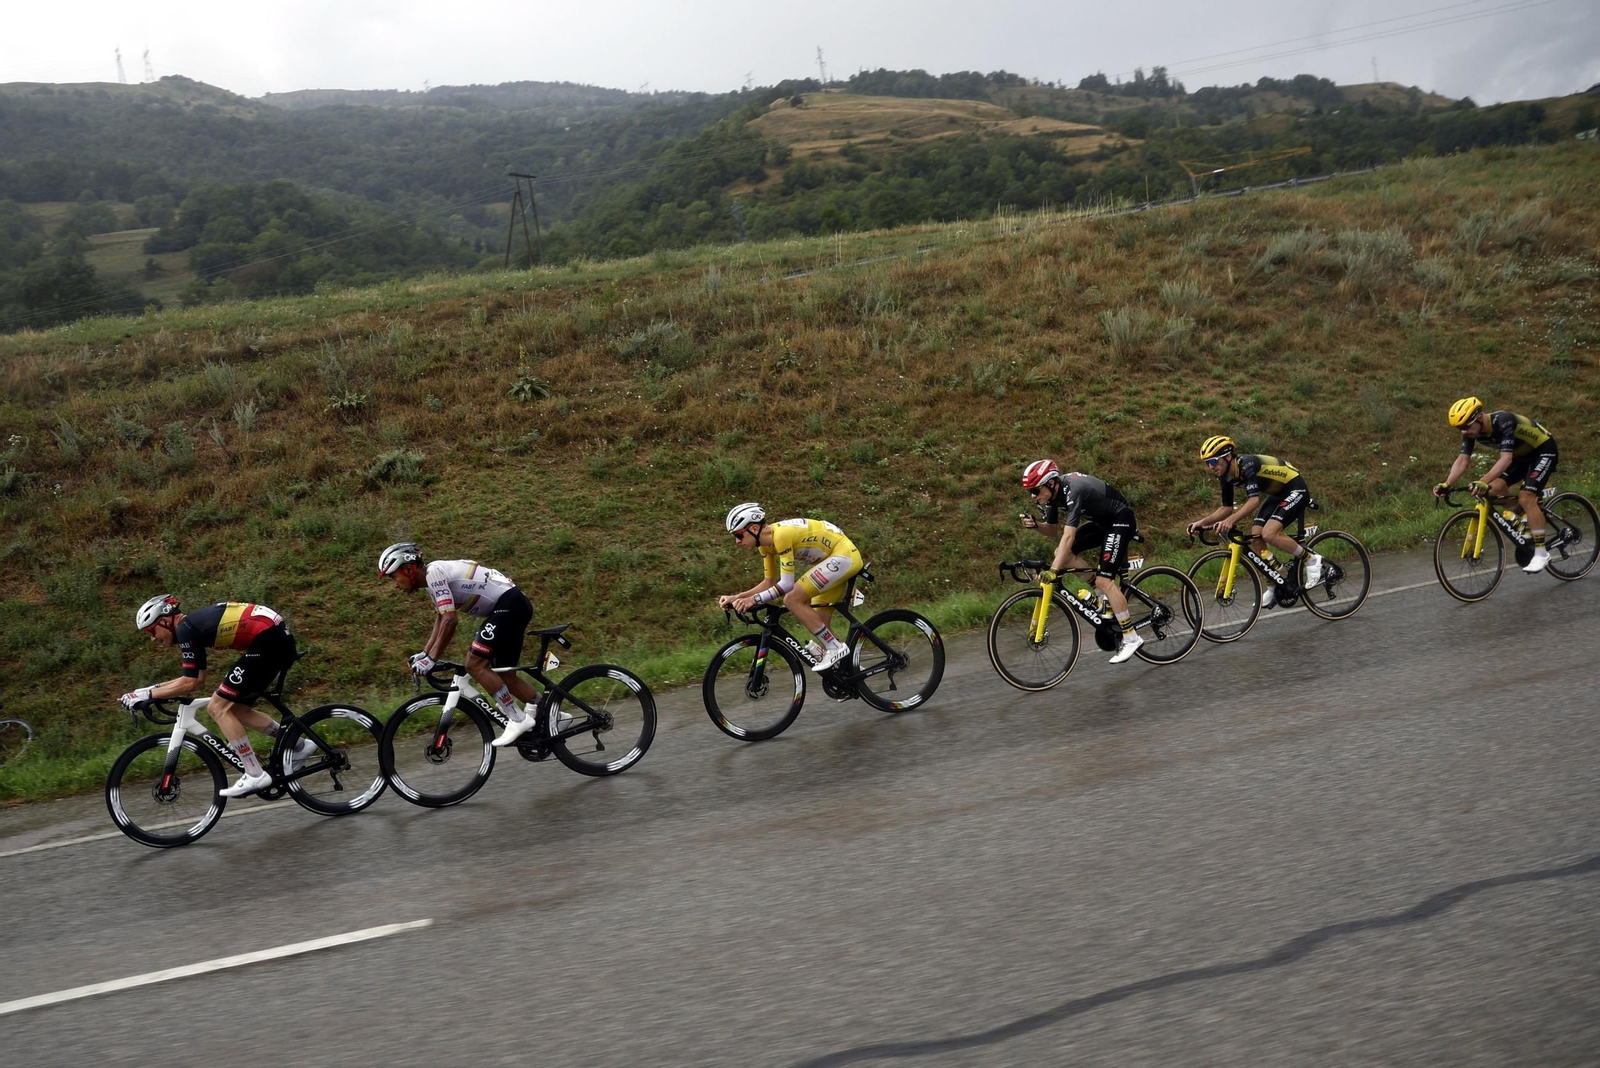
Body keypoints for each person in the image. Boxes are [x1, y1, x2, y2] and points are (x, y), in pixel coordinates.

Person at [122, 595, 316, 797]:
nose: (153, 638)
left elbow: (190, 683)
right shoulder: (189, 628)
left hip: (269, 641)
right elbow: (196, 678)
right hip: (273, 638)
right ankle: (299, 746)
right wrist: (145, 692)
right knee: (236, 710)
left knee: (217, 707)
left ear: (164, 620)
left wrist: (147, 694)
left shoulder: (185, 629)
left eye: (151, 631)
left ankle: (254, 773)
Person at [377, 542, 565, 748]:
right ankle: (553, 713)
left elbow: (450, 621)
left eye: (394, 577)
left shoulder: (434, 574)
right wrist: (425, 653)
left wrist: (432, 659)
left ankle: (518, 719)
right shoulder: (432, 580)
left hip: (509, 605)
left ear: (408, 569)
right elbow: (441, 620)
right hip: (512, 605)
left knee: (474, 665)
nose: (395, 584)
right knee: (504, 675)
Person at [1018, 460, 1144, 664]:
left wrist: (1053, 570)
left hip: (1120, 519)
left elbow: (1069, 535)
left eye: (1034, 490)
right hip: (1102, 523)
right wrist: (1036, 525)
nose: (1033, 496)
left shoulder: (1072, 488)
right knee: (1062, 553)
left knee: (1105, 580)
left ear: (1050, 483)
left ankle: (1131, 638)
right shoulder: (1052, 496)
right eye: (1029, 492)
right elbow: (1052, 530)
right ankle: (1103, 599)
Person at [719, 503, 862, 673]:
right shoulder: (765, 545)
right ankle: (850, 672)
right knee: (818, 624)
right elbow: (769, 582)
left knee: (792, 599)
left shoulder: (780, 536)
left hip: (843, 555)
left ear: (755, 528)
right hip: (830, 560)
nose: (736, 542)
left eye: (738, 535)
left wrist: (753, 600)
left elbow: (786, 585)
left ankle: (836, 649)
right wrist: (738, 597)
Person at [1185, 436, 1322, 608]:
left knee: (1269, 533)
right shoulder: (1225, 475)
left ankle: (1311, 559)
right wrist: (1201, 522)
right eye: (1207, 463)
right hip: (1277, 493)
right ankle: (1274, 583)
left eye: (1213, 461)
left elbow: (1253, 501)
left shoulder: (1246, 464)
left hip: (1295, 488)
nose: (1211, 467)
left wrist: (1230, 521)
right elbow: (1226, 508)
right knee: (1256, 537)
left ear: (1228, 457)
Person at [1433, 397, 1558, 573]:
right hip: (1521, 457)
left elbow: (1505, 459)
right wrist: (1447, 483)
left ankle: (1541, 553)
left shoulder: (1503, 421)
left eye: (1465, 427)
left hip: (1543, 450)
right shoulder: (1472, 431)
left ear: (1478, 418)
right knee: (1493, 490)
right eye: (1458, 429)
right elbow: (1463, 460)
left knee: (1526, 497)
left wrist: (1483, 481)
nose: (1463, 432)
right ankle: (1524, 517)